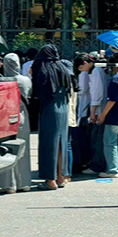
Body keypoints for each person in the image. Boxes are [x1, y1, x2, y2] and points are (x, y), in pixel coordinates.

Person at [0, 53, 33, 193]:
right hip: (22, 114)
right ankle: (24, 182)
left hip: (5, 117)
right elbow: (29, 94)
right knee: (23, 148)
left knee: (5, 149)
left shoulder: (0, 81)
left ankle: (9, 184)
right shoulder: (26, 80)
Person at [31, 44, 72, 190]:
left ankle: (50, 180)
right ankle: (61, 177)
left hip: (50, 108)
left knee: (49, 144)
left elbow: (37, 92)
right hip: (63, 107)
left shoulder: (44, 70)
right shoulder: (63, 68)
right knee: (61, 144)